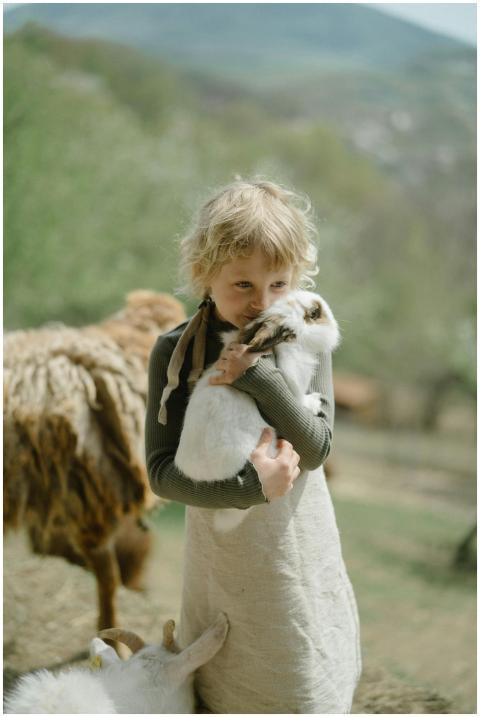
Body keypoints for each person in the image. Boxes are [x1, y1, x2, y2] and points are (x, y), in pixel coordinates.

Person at [145, 178, 361, 713]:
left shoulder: (307, 341)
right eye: (242, 284)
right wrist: (248, 487)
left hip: (296, 538)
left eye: (279, 284)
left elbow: (316, 450)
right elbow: (159, 472)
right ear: (204, 273)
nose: (261, 303)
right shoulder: (176, 351)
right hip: (221, 546)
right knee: (228, 668)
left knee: (294, 661)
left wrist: (257, 376)